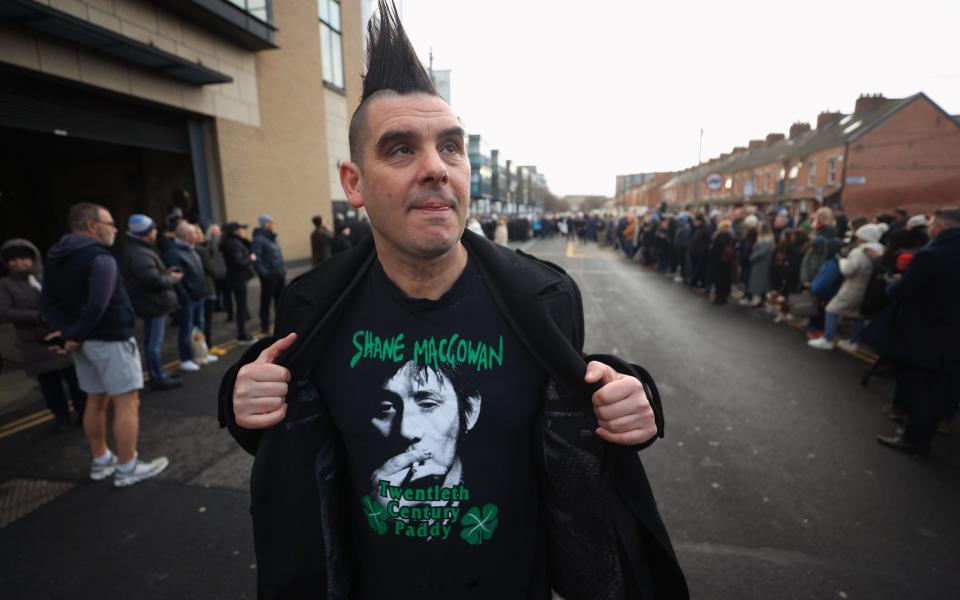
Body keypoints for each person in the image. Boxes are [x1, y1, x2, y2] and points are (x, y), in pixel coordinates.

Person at [217, 3, 686, 598]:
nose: (436, 168)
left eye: (452, 147)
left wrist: (633, 398)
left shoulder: (544, 296)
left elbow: (580, 395)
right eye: (400, 149)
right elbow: (282, 430)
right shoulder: (313, 305)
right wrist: (239, 397)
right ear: (354, 183)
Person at [40, 202, 169, 487]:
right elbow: (98, 304)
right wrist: (74, 334)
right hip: (111, 339)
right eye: (109, 223)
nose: (114, 229)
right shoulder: (100, 258)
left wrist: (69, 333)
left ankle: (101, 461)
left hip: (83, 342)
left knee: (95, 400)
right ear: (91, 226)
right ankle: (127, 467)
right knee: (127, 401)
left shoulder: (54, 257)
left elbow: (47, 302)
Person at [867, 208, 960, 455]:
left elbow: (903, 292)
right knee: (943, 385)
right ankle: (935, 424)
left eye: (932, 225)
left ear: (940, 227)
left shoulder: (931, 255)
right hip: (951, 334)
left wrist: (894, 285)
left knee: (921, 388)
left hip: (925, 330)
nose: (928, 229)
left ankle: (915, 437)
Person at [0, 238, 85, 430]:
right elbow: (4, 311)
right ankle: (61, 417)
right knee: (50, 384)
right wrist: (38, 316)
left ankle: (83, 410)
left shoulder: (47, 275)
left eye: (23, 258)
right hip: (35, 342)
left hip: (60, 333)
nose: (19, 263)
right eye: (13, 260)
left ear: (33, 258)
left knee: (74, 378)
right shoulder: (5, 285)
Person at [120, 214, 183, 391]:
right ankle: (158, 376)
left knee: (152, 342)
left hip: (151, 302)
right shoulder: (140, 252)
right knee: (153, 343)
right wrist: (171, 278)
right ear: (145, 233)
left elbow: (150, 274)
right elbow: (151, 279)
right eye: (153, 229)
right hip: (152, 303)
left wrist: (165, 273)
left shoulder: (139, 249)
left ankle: (158, 374)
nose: (156, 232)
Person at [808, 224, 884, 351]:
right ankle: (854, 341)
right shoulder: (880, 250)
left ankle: (828, 339)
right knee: (858, 315)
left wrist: (842, 261)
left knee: (831, 309)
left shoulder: (859, 252)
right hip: (868, 289)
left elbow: (848, 270)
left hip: (853, 287)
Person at [163, 221, 207, 372]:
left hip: (199, 295)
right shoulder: (173, 252)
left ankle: (199, 354)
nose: (197, 235)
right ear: (186, 235)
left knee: (198, 327)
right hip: (188, 299)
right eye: (194, 233)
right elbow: (175, 280)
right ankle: (185, 358)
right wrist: (185, 297)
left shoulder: (191, 249)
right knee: (186, 329)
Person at [220, 222, 256, 343]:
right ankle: (241, 335)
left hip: (236, 278)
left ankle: (242, 333)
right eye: (241, 229)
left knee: (241, 307)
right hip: (238, 278)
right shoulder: (233, 244)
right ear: (235, 231)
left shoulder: (232, 242)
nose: (243, 231)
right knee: (241, 307)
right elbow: (239, 262)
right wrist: (250, 259)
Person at [251, 215, 287, 336]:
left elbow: (279, 255)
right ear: (263, 224)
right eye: (269, 222)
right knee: (266, 302)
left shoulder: (274, 238)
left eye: (271, 222)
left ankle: (280, 325)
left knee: (280, 302)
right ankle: (265, 327)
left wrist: (283, 269)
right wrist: (264, 274)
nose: (271, 224)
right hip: (269, 276)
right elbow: (256, 260)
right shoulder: (259, 239)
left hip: (279, 274)